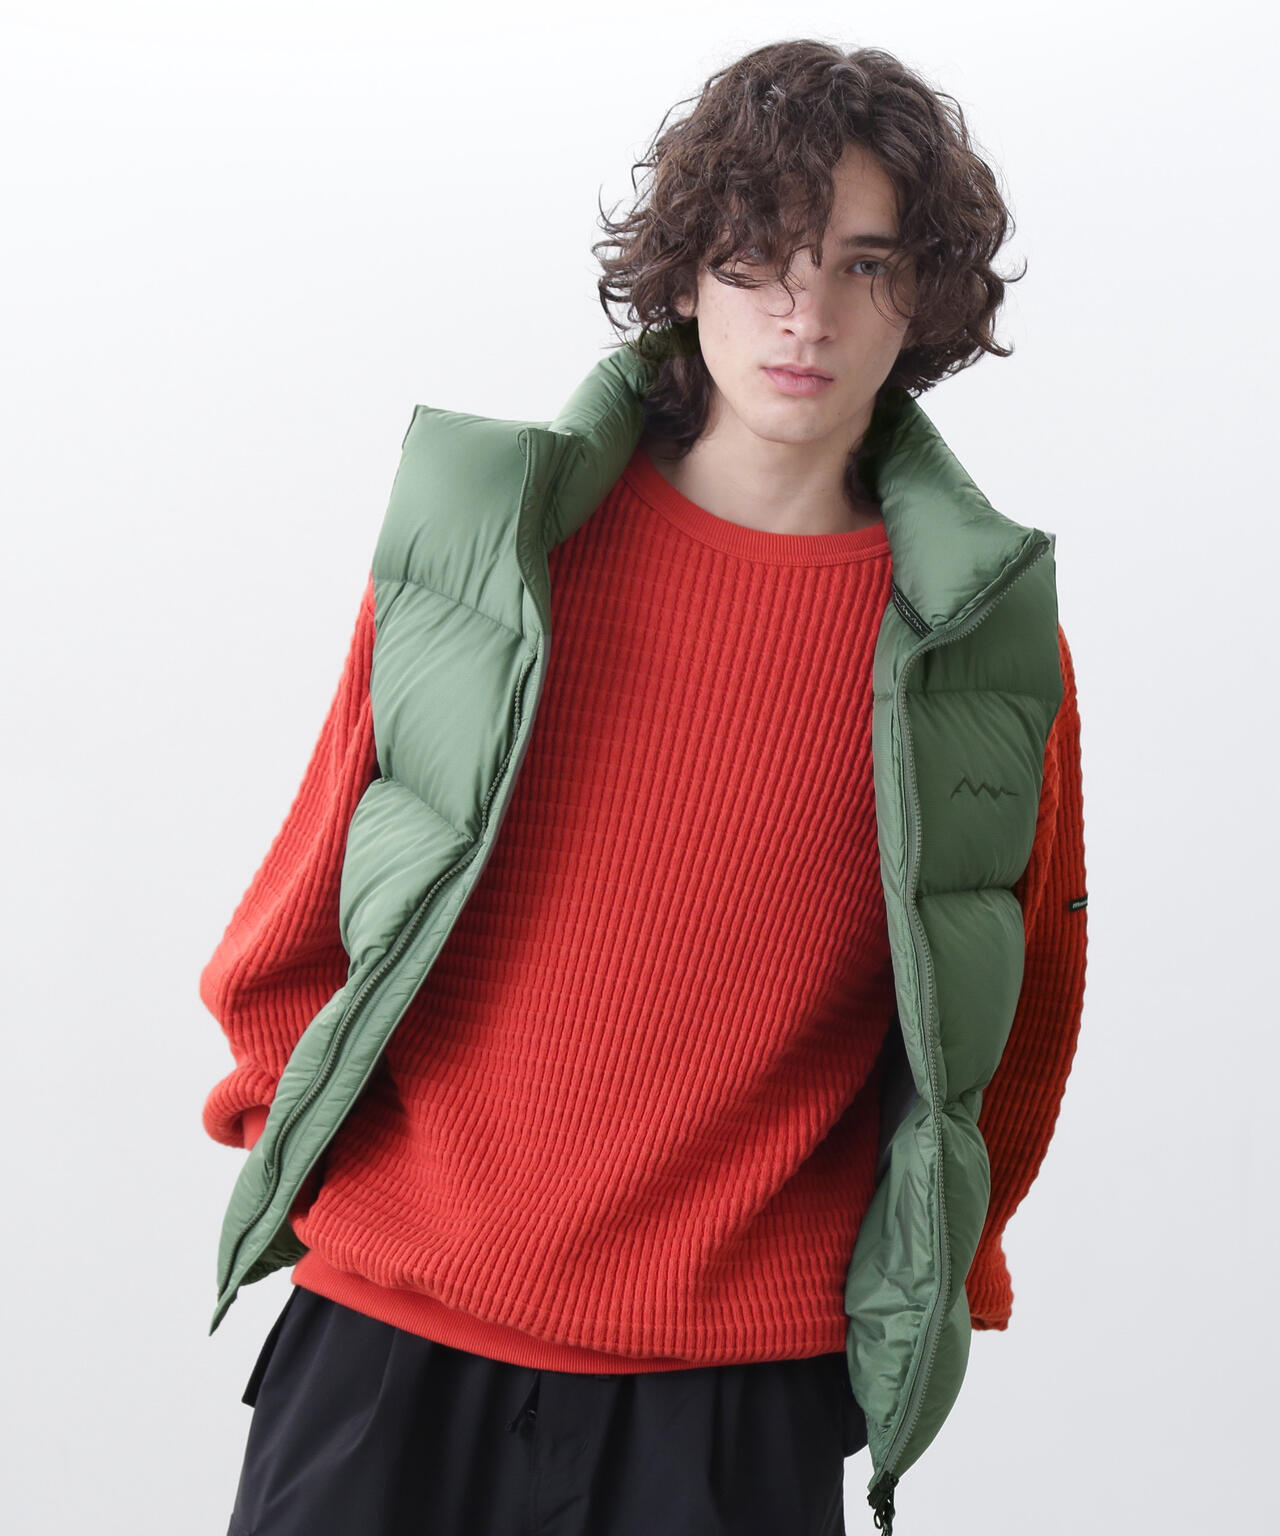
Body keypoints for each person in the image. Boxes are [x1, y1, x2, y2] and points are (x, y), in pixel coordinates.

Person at [201, 38, 1087, 1536]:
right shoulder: (499, 550)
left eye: (865, 266)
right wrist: (325, 1164)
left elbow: (1018, 1017)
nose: (807, 313)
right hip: (387, 1340)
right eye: (762, 257)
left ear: (924, 298)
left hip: (732, 1397)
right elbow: (308, 896)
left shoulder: (978, 639)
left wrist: (932, 1264)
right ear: (685, 273)